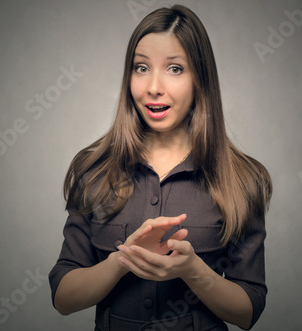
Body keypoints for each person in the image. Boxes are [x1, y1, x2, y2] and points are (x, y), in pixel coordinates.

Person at [49, 4, 272, 331]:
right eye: (141, 68)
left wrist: (193, 270)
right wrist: (123, 260)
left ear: (200, 78)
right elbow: (63, 297)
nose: (154, 86)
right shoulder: (93, 170)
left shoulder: (241, 178)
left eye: (175, 69)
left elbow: (248, 311)